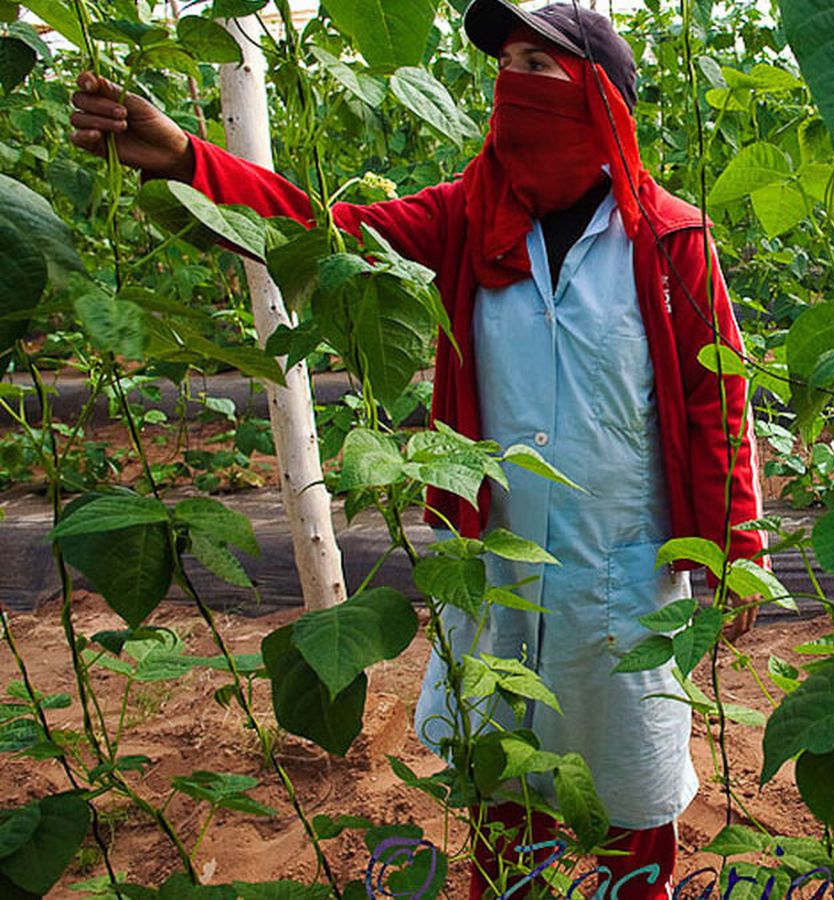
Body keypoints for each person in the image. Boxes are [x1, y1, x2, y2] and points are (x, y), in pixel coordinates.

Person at [68, 2, 767, 897]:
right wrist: (184, 161)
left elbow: (717, 401)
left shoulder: (668, 239)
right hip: (496, 558)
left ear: (601, 97)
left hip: (621, 565)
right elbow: (322, 233)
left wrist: (736, 548)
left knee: (630, 782)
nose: (513, 81)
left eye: (538, 65)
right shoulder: (469, 217)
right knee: (502, 782)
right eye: (505, 63)